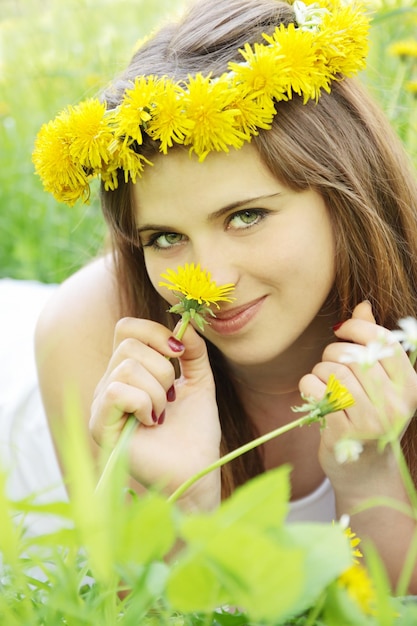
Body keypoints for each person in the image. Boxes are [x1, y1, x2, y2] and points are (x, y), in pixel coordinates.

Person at [33, 0, 417, 592]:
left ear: (346, 188)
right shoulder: (87, 330)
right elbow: (129, 606)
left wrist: (370, 478)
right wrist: (183, 505)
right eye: (164, 237)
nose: (210, 280)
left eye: (245, 217)